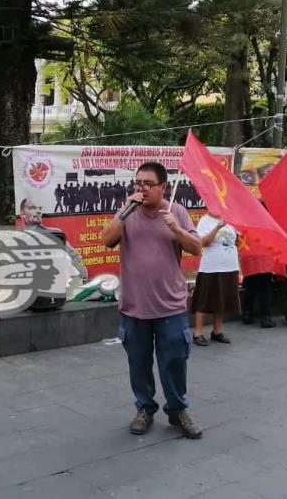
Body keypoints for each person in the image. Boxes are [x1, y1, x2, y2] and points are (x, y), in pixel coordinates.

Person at [101, 162, 203, 439]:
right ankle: (145, 408)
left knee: (174, 362)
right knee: (139, 363)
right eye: (137, 183)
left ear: (162, 187)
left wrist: (177, 230)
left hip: (170, 306)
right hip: (135, 307)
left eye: (147, 184)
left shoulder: (177, 212)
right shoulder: (126, 212)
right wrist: (125, 211)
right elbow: (106, 240)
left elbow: (197, 248)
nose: (141, 189)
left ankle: (177, 410)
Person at [190, 210, 240, 345]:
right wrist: (217, 227)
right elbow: (203, 242)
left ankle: (217, 331)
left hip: (229, 266)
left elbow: (236, 242)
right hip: (211, 267)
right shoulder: (205, 221)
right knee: (204, 300)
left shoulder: (230, 219)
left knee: (221, 299)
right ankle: (198, 333)